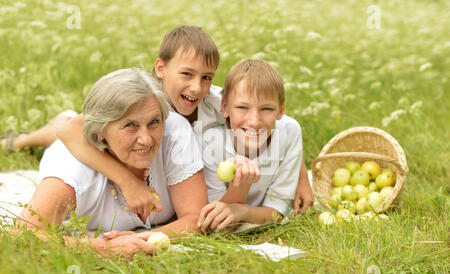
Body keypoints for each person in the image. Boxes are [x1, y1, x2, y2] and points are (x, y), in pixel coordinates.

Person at [54, 25, 314, 218]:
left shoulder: (214, 101)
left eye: (207, 77)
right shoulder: (144, 102)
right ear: (161, 69)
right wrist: (128, 182)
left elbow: (275, 123)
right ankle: (24, 138)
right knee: (65, 127)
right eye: (187, 74)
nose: (196, 87)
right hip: (122, 144)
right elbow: (68, 131)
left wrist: (301, 177)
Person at [13, 68, 208, 258]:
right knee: (63, 129)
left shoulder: (173, 132)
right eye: (129, 125)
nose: (146, 139)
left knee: (70, 124)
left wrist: (139, 240)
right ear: (101, 131)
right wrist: (102, 248)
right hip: (69, 145)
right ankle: (20, 140)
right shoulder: (71, 171)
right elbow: (22, 234)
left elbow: (195, 218)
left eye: (154, 122)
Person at [197, 59, 303, 231]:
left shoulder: (290, 131)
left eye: (266, 109)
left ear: (281, 111)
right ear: (225, 107)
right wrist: (241, 183)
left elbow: (277, 212)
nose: (254, 121)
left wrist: (241, 212)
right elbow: (214, 221)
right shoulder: (210, 142)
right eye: (242, 107)